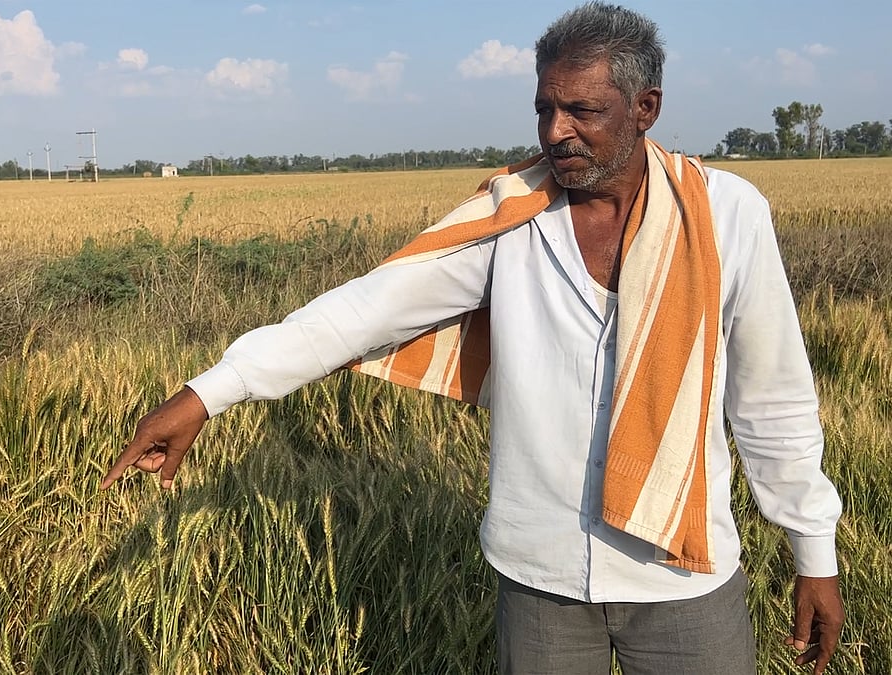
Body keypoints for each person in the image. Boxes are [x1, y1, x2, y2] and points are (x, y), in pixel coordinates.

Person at [99, 3, 845, 673]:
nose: (557, 131)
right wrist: (209, 391)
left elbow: (772, 397)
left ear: (645, 107)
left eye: (582, 109)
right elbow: (361, 310)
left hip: (684, 572)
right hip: (540, 575)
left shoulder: (727, 215)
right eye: (544, 108)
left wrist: (814, 554)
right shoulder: (509, 219)